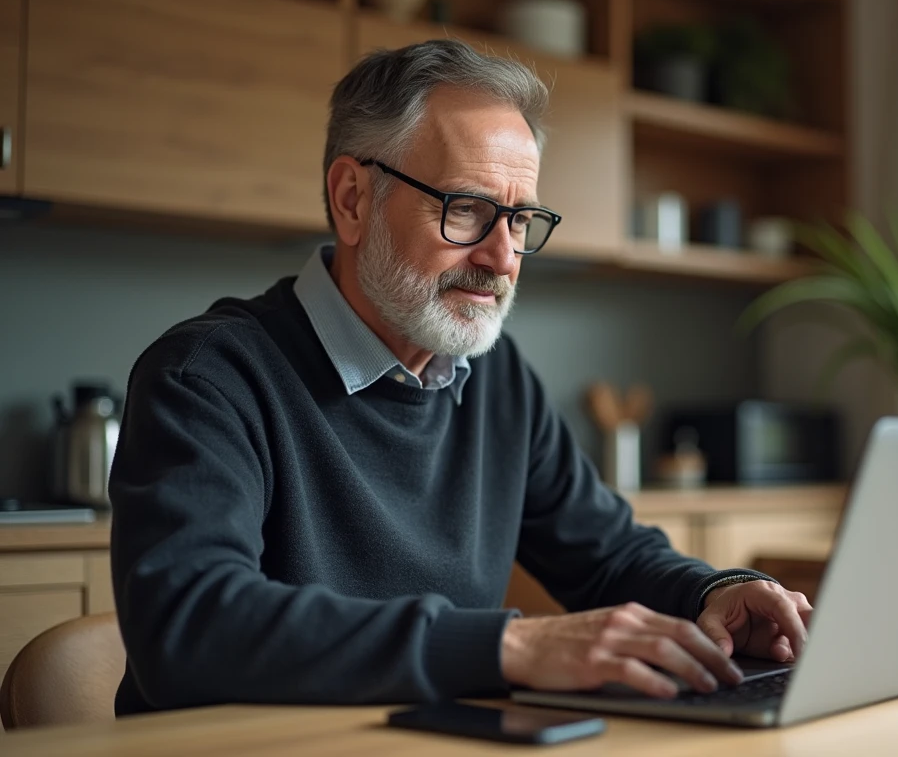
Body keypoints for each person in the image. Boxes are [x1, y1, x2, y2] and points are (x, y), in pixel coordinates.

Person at [109, 39, 812, 716]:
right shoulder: (207, 378)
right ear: (354, 199)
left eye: (520, 219)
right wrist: (508, 644)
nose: (504, 257)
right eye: (468, 209)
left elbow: (608, 556)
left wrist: (715, 592)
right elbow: (190, 626)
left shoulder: (497, 378)